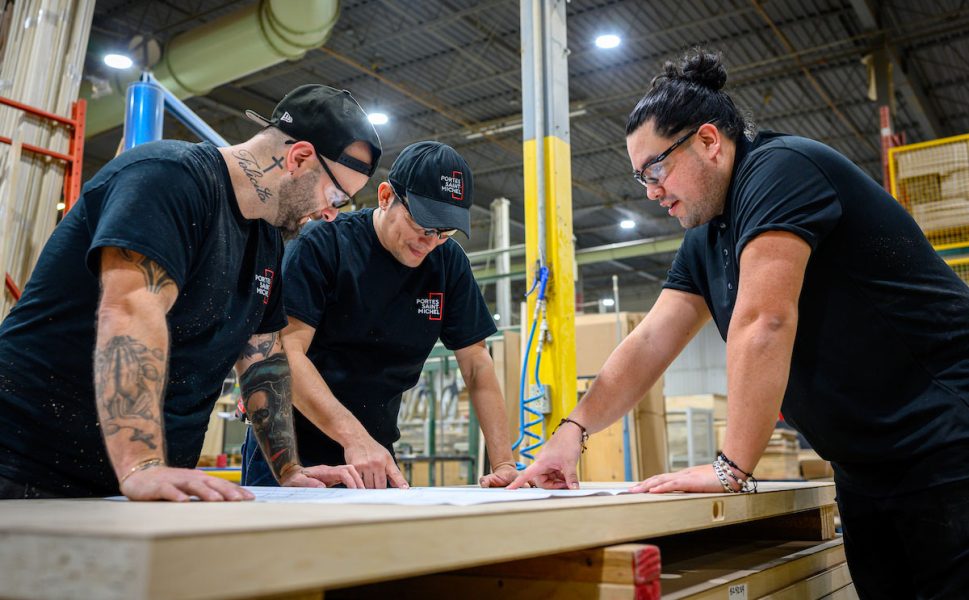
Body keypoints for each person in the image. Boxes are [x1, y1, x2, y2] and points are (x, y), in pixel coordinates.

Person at [509, 50, 969, 598]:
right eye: (641, 178)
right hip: (866, 463)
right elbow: (650, 341)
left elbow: (764, 321)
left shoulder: (780, 171)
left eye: (656, 168)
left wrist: (732, 468)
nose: (652, 191)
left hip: (947, 439)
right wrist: (572, 432)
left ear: (709, 141)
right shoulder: (704, 237)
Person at [0, 84, 380, 501]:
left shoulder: (265, 240)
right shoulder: (168, 178)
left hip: (130, 485)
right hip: (26, 466)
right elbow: (130, 311)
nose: (330, 214)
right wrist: (142, 465)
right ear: (299, 157)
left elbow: (263, 360)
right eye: (337, 196)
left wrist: (288, 471)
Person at [241, 141, 519, 489]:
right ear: (386, 196)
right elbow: (286, 355)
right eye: (423, 226)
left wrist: (505, 463)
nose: (429, 242)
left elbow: (477, 364)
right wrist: (353, 438)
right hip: (288, 451)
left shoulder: (448, 263)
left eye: (443, 233)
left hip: (374, 451)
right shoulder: (323, 245)